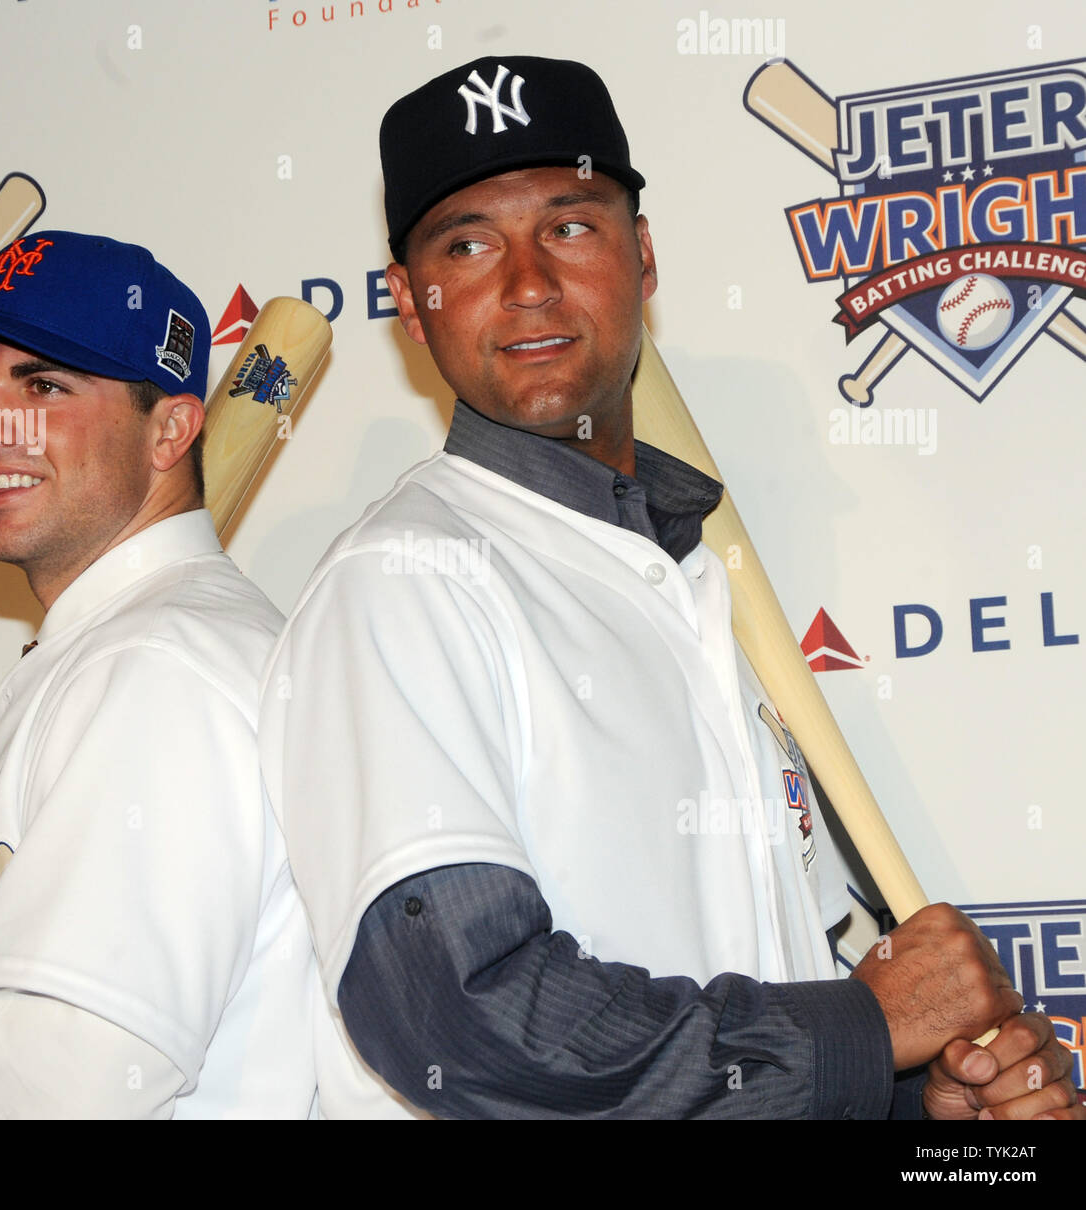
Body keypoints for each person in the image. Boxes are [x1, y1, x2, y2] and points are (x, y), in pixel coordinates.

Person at [258, 56, 1083, 1119]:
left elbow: (763, 984)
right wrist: (860, 1030)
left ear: (641, 258)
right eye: (466, 245)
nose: (526, 285)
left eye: (569, 225)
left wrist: (921, 1104)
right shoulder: (401, 587)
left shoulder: (691, 582)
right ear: (410, 309)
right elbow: (465, 1019)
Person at [0, 230, 314, 1119]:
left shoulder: (155, 671)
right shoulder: (116, 649)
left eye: (42, 386)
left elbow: (60, 1102)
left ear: (173, 429)